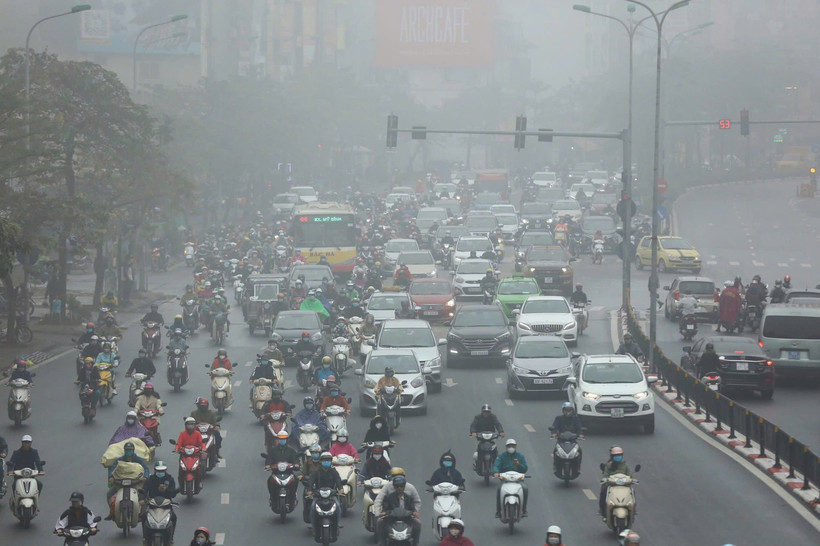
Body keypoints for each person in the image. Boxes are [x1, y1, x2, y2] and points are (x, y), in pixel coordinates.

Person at [106, 441, 149, 519]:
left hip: (135, 483)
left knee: (144, 495)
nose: (128, 451)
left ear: (133, 450)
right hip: (120, 483)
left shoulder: (138, 460)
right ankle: (112, 512)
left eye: (130, 450)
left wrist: (145, 476)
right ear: (124, 450)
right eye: (127, 450)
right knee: (109, 494)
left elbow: (146, 468)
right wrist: (111, 477)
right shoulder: (119, 460)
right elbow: (112, 469)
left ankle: (142, 514)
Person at [378, 475, 421, 546]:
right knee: (380, 522)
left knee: (418, 523)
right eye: (397, 486)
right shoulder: (389, 497)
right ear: (394, 487)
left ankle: (416, 543)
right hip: (392, 519)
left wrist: (414, 513)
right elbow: (386, 507)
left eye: (401, 486)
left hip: (406, 519)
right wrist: (384, 512)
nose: (399, 488)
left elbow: (412, 508)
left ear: (404, 486)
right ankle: (382, 543)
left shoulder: (409, 497)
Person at [306, 452, 344, 530]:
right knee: (313, 507)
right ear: (321, 461)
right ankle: (313, 525)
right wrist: (309, 490)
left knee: (338, 506)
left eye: (328, 460)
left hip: (331, 494)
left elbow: (338, 480)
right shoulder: (316, 472)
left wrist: (340, 489)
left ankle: (337, 523)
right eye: (324, 460)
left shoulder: (334, 472)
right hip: (318, 495)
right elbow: (311, 481)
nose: (326, 462)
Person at [142, 461, 178, 543]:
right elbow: (144, 490)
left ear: (165, 470)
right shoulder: (150, 480)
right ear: (155, 470)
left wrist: (166, 490)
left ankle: (171, 538)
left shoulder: (170, 479)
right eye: (158, 471)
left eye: (162, 471)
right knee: (143, 517)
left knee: (174, 518)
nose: (160, 473)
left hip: (166, 506)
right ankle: (145, 537)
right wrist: (142, 499)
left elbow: (173, 494)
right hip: (152, 505)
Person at [493, 438, 528, 518]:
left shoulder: (520, 456)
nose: (511, 447)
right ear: (506, 447)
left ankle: (524, 509)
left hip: (517, 480)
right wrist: (495, 472)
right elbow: (496, 465)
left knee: (525, 489)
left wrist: (518, 464)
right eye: (509, 446)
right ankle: (498, 511)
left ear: (515, 447)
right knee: (499, 490)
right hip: (505, 479)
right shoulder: (501, 456)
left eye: (512, 446)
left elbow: (525, 468)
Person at [265, 431, 301, 504]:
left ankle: (293, 497)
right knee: (269, 481)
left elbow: (296, 460)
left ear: (287, 440)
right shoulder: (273, 450)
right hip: (276, 473)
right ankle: (272, 497)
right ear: (278, 439)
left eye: (284, 439)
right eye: (280, 439)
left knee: (295, 480)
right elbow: (269, 460)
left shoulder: (291, 451)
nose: (282, 440)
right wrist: (268, 465)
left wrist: (296, 464)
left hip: (289, 473)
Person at [599, 446, 632, 518]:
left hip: (624, 485)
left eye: (619, 455)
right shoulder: (608, 465)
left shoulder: (625, 465)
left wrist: (631, 479)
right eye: (616, 456)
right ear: (612, 456)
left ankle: (632, 509)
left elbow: (630, 474)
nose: (618, 457)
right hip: (611, 485)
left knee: (632, 493)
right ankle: (603, 510)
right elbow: (605, 475)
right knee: (604, 492)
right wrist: (605, 480)